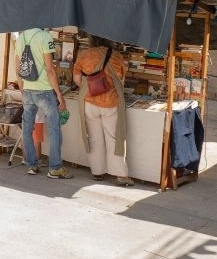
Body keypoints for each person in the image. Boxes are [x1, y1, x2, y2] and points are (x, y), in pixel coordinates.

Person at [72, 36, 133, 186]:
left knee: (94, 138)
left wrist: (88, 89)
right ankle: (120, 175)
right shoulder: (117, 56)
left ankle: (97, 172)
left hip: (89, 102)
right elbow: (121, 80)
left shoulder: (84, 55)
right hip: (110, 102)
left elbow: (77, 79)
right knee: (114, 138)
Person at [15, 28, 71, 178]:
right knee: (54, 129)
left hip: (28, 90)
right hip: (45, 91)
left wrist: (23, 90)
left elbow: (17, 69)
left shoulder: (21, 38)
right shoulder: (45, 37)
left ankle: (32, 165)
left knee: (27, 129)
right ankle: (54, 168)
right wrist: (59, 94)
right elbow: (50, 70)